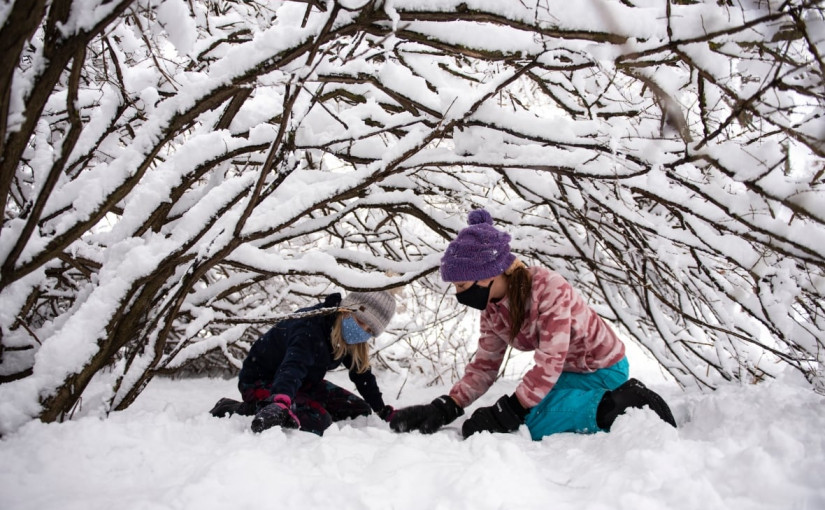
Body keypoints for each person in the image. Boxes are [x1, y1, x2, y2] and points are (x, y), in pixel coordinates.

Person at [389, 209, 676, 440]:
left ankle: (622, 403)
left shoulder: (548, 289)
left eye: (462, 284)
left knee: (533, 421)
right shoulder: (492, 309)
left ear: (489, 273)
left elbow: (550, 360)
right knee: (527, 409)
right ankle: (591, 402)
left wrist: (511, 409)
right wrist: (448, 405)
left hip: (601, 367)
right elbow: (485, 365)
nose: (460, 293)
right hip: (570, 371)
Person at [210, 290, 397, 435]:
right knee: (318, 420)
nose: (361, 329)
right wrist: (281, 402)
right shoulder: (311, 325)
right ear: (346, 310)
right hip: (264, 381)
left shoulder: (348, 338)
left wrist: (381, 410)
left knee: (360, 410)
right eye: (359, 320)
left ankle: (296, 402)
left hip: (303, 383)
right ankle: (238, 408)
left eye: (369, 330)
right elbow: (293, 366)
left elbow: (362, 375)